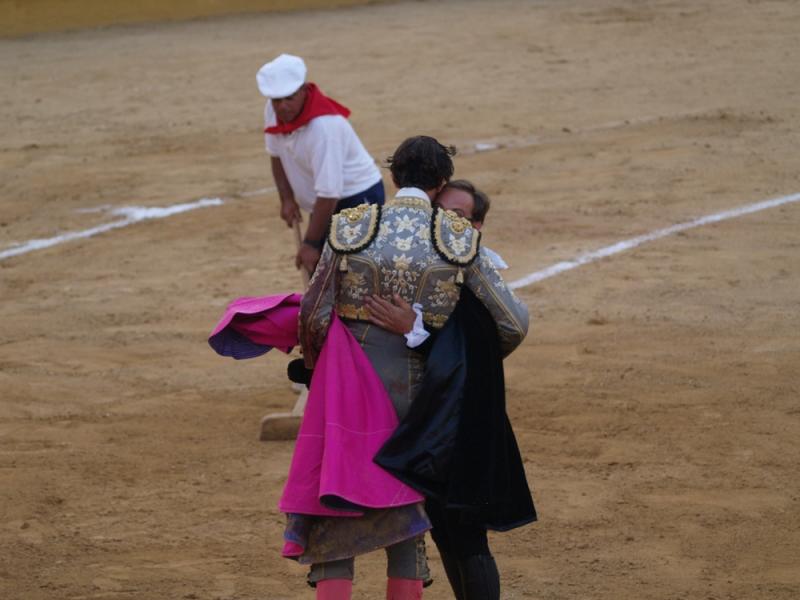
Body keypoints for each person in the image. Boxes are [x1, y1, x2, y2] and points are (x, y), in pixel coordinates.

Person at [298, 136, 529, 600]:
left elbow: (313, 313)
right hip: (423, 400)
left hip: (348, 393)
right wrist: (457, 363)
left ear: (392, 176)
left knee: (335, 520)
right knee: (406, 523)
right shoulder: (458, 238)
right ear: (441, 182)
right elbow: (512, 322)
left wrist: (320, 365)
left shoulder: (349, 227)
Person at [366, 180, 536, 600]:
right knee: (447, 531)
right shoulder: (438, 269)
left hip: (464, 417)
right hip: (441, 415)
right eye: (440, 215)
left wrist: (418, 333)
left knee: (466, 534)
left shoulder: (472, 282)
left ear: (477, 226)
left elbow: (506, 331)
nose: (447, 224)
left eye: (459, 217)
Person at [257, 53, 385, 275]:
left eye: (289, 98)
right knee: (322, 270)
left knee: (353, 270)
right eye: (277, 100)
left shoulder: (325, 128)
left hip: (357, 197)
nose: (283, 106)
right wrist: (286, 198)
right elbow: (276, 155)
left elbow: (329, 194)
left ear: (304, 90)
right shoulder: (272, 109)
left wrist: (311, 244)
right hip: (325, 201)